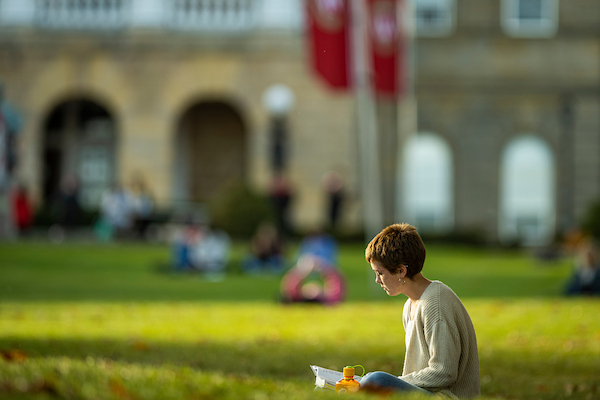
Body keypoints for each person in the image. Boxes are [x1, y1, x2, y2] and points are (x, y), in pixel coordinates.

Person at [359, 223, 480, 399]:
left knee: (375, 380)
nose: (377, 280)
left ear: (401, 270)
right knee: (355, 383)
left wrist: (395, 382)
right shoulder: (410, 305)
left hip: (444, 396)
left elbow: (444, 372)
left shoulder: (436, 304)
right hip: (425, 393)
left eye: (380, 273)